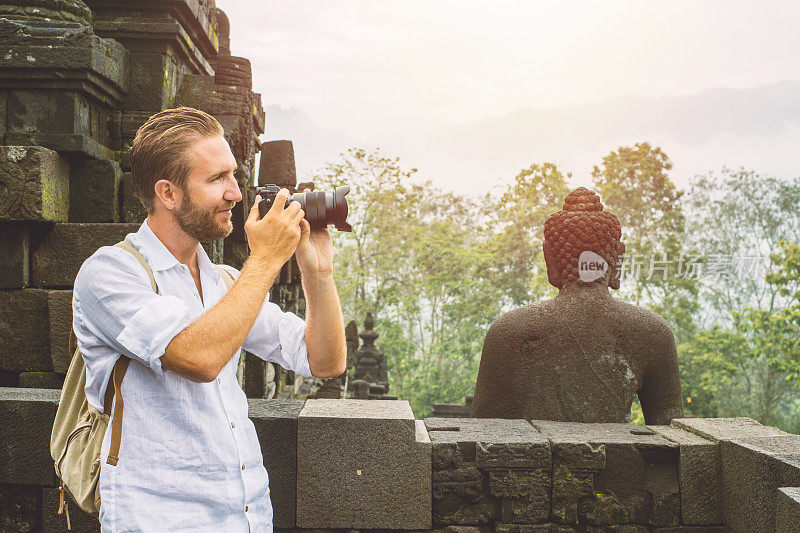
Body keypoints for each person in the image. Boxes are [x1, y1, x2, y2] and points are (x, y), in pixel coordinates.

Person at [72, 107, 346, 532]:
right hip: (161, 518)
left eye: (234, 176)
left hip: (247, 513)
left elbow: (324, 361)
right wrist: (267, 258)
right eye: (216, 179)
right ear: (168, 193)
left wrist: (318, 270)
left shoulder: (225, 282)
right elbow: (199, 358)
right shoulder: (109, 274)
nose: (236, 194)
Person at [470, 187, 683, 425]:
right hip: (620, 462)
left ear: (550, 259)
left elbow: (482, 435)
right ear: (618, 260)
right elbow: (673, 435)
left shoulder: (509, 331)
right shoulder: (653, 333)